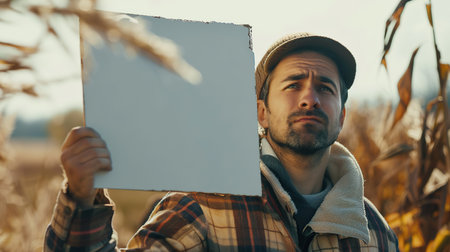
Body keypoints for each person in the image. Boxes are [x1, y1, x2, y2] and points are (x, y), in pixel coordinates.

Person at [44, 33, 399, 251]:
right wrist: (80, 197)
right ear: (261, 113)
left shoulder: (376, 234)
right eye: (293, 85)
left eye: (325, 87)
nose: (310, 98)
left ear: (341, 116)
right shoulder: (205, 204)